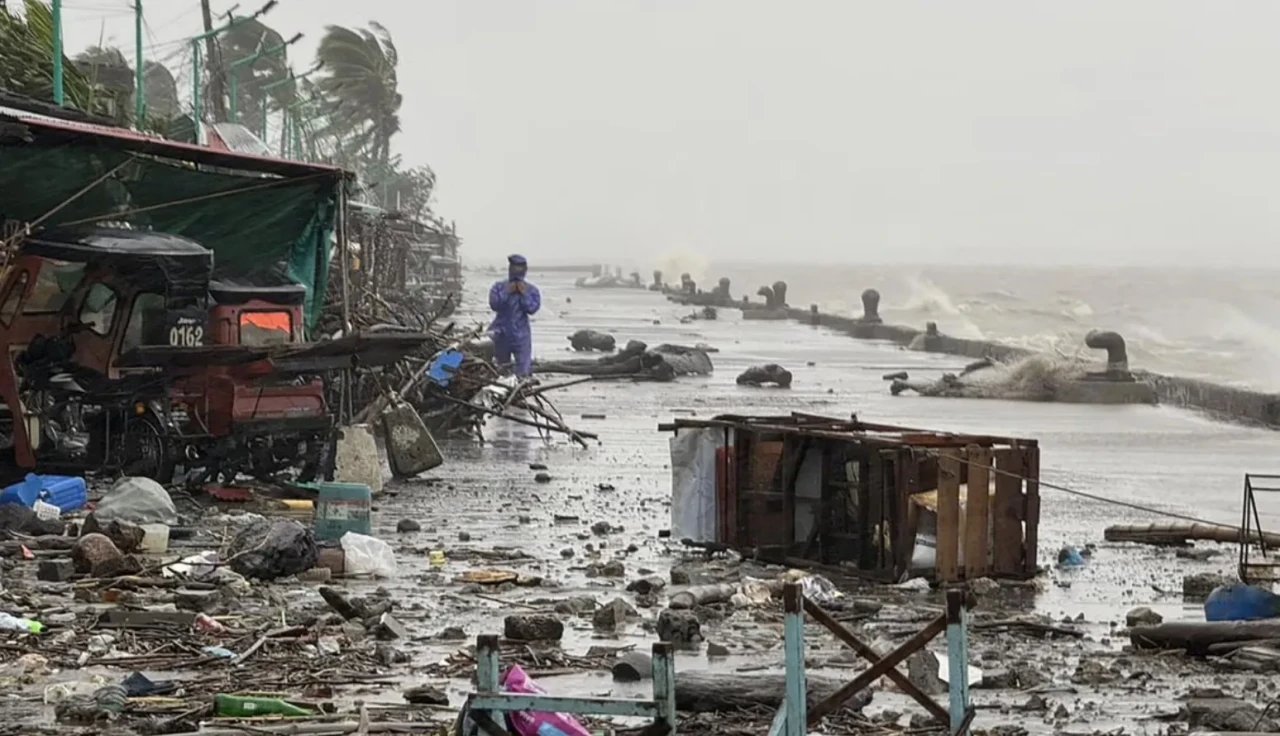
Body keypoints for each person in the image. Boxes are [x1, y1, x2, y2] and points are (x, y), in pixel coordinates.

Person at [488, 254, 541, 376]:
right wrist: (507, 292)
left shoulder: (531, 290)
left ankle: (520, 389)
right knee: (501, 369)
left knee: (523, 370)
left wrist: (524, 294)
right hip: (501, 333)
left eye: (519, 267)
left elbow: (532, 308)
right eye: (514, 267)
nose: (516, 270)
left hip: (522, 335)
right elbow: (494, 305)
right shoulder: (499, 287)